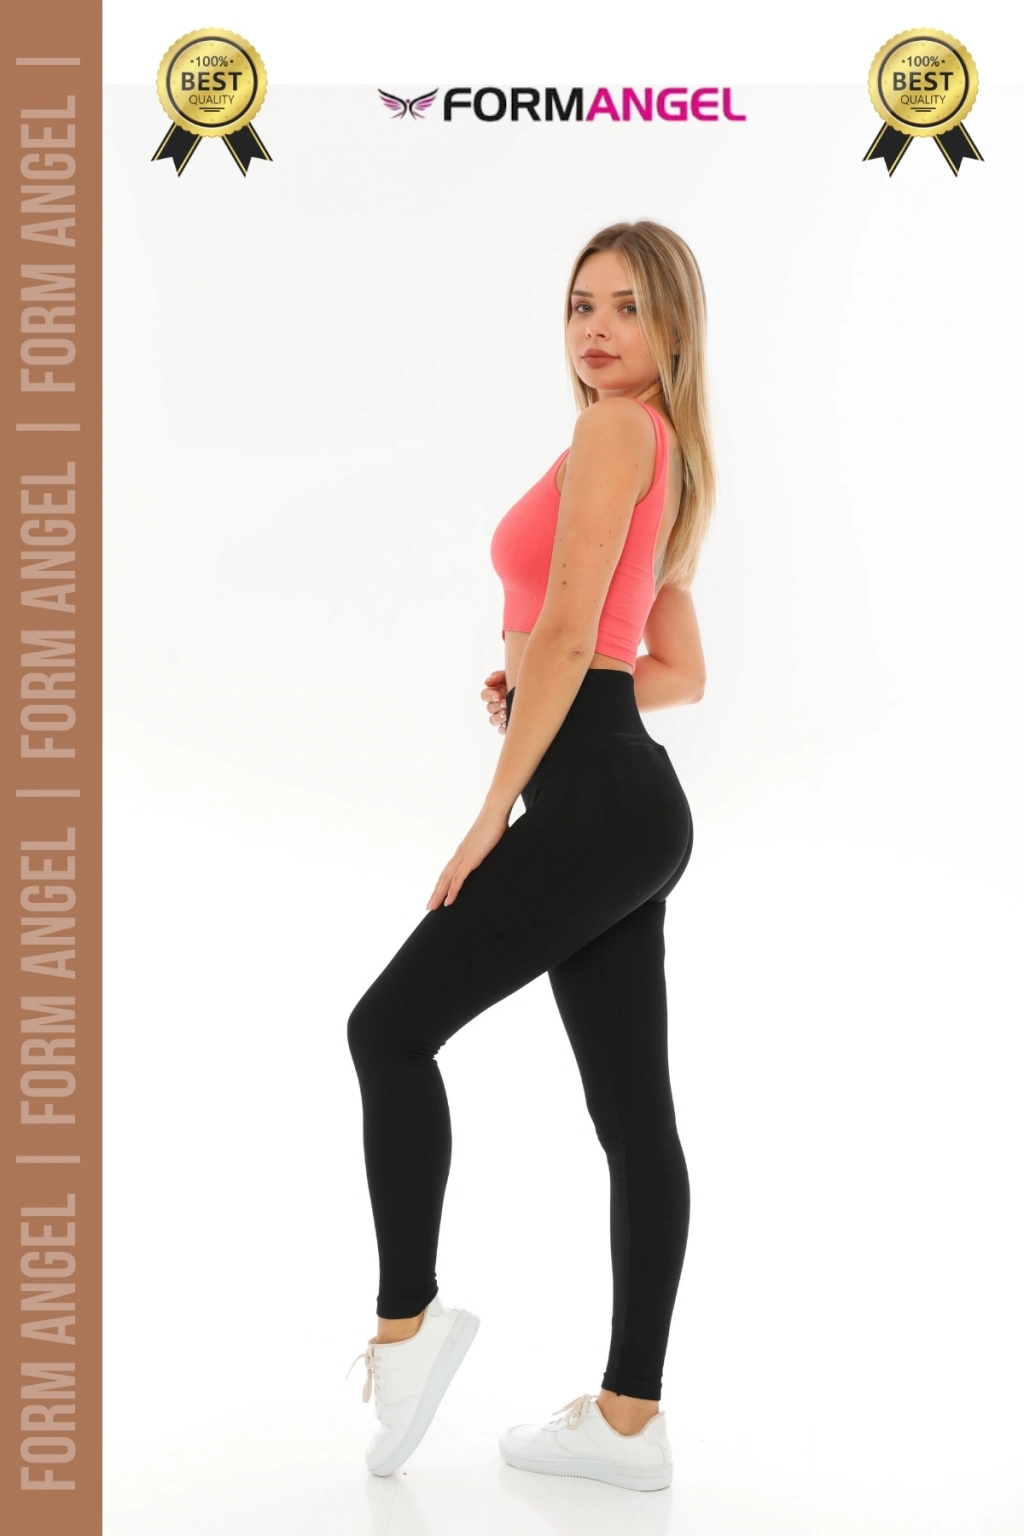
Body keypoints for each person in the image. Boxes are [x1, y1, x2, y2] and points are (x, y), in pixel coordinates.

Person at [345, 219, 714, 1490]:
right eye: (578, 305)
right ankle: (627, 1424)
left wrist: (492, 808)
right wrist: (549, 699)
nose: (595, 330)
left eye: (626, 306)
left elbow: (565, 629)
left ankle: (408, 1329)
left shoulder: (614, 431)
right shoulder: (670, 453)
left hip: (590, 801)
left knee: (388, 1030)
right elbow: (669, 668)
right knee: (634, 1121)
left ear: (672, 326)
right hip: (628, 797)